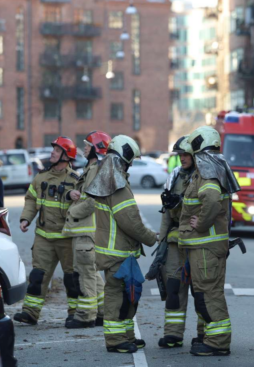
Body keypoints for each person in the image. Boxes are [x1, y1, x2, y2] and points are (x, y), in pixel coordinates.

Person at [84, 135, 158, 354]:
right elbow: (131, 221)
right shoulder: (117, 185)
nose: (131, 166)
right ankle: (116, 341)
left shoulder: (106, 180)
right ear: (124, 159)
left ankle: (126, 336)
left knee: (127, 296)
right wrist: (152, 237)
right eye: (130, 162)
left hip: (115, 252)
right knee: (118, 296)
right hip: (119, 253)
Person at [178, 126, 240, 357]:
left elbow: (212, 199)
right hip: (206, 246)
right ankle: (210, 336)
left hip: (206, 245)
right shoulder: (214, 166)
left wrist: (201, 223)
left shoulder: (207, 171)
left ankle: (218, 342)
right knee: (205, 291)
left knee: (208, 292)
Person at [13, 137, 80, 326]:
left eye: (57, 151)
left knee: (71, 278)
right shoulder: (41, 177)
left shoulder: (75, 180)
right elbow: (31, 199)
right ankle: (30, 312)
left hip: (67, 238)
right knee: (37, 276)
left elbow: (85, 205)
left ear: (66, 157)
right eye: (54, 150)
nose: (52, 153)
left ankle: (74, 314)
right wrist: (26, 218)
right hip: (43, 236)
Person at [62, 131, 112, 329]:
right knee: (91, 273)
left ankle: (86, 316)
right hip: (85, 231)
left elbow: (92, 201)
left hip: (85, 231)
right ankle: (102, 312)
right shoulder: (92, 168)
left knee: (85, 275)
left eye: (87, 145)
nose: (84, 148)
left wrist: (73, 212)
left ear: (96, 149)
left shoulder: (95, 169)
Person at [155, 135, 201, 348]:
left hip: (198, 242)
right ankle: (173, 334)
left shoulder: (206, 177)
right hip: (175, 243)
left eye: (185, 154)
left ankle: (206, 334)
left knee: (201, 291)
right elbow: (166, 214)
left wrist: (182, 203)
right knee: (173, 287)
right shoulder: (174, 176)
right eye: (180, 154)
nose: (182, 158)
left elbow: (210, 210)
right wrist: (161, 242)